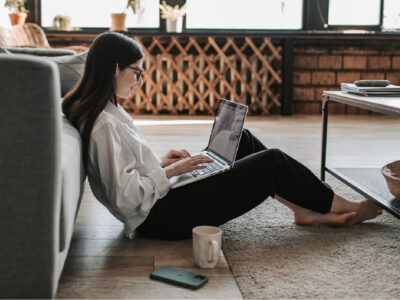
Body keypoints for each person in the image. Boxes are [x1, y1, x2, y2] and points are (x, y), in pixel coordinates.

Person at [62, 32, 382, 241]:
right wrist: (171, 173)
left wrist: (162, 163)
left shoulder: (107, 111)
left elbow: (123, 173)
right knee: (272, 162)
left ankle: (302, 209)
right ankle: (339, 204)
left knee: (242, 139)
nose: (141, 80)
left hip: (160, 200)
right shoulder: (104, 123)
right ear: (114, 69)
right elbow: (125, 198)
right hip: (159, 218)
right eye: (137, 72)